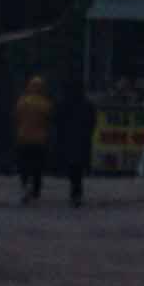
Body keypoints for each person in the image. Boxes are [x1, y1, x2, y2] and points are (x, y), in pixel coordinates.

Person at [53, 78, 95, 207]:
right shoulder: (87, 105)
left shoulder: (64, 103)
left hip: (69, 139)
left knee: (73, 167)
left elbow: (58, 120)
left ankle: (75, 192)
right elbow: (92, 121)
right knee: (78, 168)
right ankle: (76, 192)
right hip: (81, 139)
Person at [12, 73, 54, 201]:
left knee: (24, 165)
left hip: (23, 138)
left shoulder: (22, 102)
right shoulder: (45, 104)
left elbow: (16, 118)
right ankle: (36, 190)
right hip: (40, 140)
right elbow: (49, 121)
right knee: (38, 166)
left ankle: (24, 185)